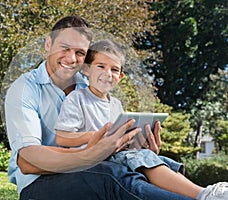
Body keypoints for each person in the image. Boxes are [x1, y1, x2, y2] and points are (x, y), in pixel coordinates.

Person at [5, 15, 196, 200]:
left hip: (92, 168)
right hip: (40, 183)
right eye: (64, 48)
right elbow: (28, 161)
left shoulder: (92, 86)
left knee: (141, 167)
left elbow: (110, 140)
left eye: (80, 53)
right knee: (112, 176)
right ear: (48, 44)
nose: (72, 59)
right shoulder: (24, 89)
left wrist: (137, 149)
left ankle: (204, 195)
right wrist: (90, 153)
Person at [55, 39, 228, 200]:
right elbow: (62, 137)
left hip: (115, 154)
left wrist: (138, 139)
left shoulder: (116, 104)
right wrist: (98, 136)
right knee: (141, 158)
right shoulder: (77, 98)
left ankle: (197, 193)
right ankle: (203, 194)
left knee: (163, 161)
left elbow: (123, 140)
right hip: (93, 159)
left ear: (120, 77)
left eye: (114, 70)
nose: (107, 74)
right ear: (86, 69)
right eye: (101, 66)